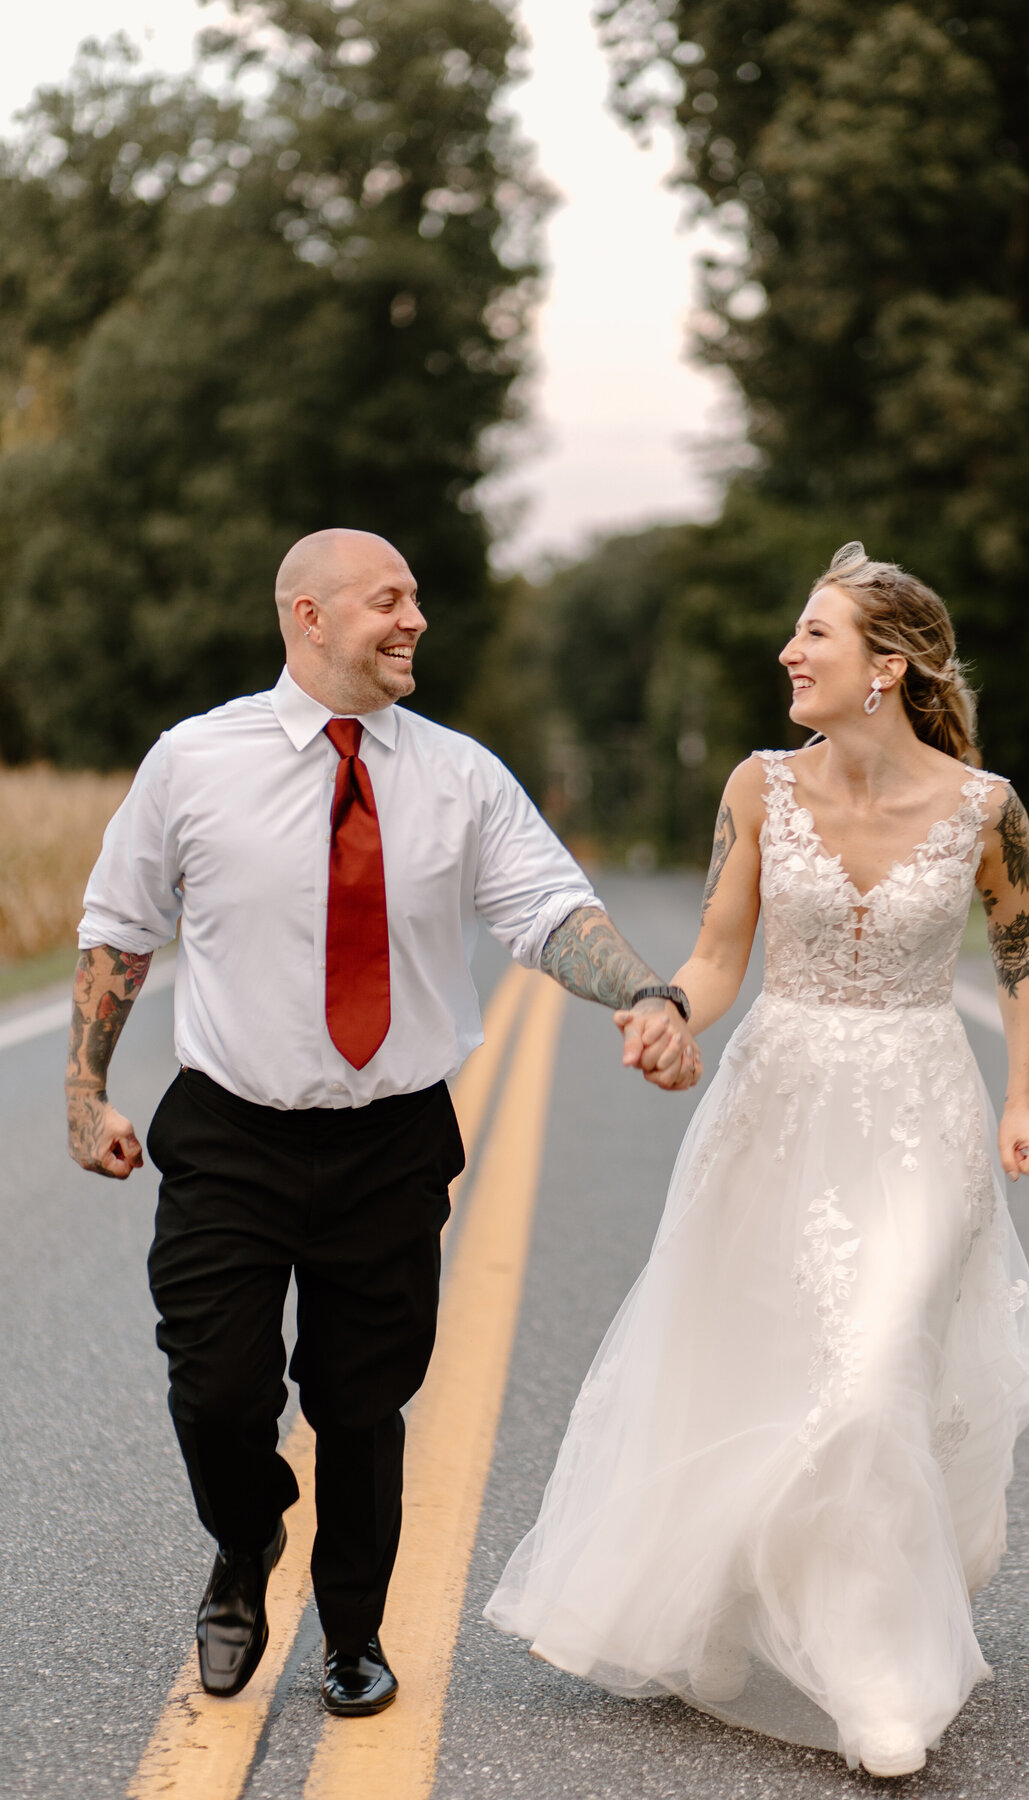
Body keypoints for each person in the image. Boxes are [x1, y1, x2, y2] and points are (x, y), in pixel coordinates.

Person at [66, 528, 700, 1719]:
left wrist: (647, 992)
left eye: (415, 600)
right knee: (217, 1388)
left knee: (362, 1405)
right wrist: (85, 1090)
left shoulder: (459, 775)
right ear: (308, 615)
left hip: (390, 1135)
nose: (413, 621)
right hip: (231, 1132)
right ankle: (246, 1541)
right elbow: (120, 926)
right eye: (387, 601)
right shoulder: (193, 762)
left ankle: (351, 1632)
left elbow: (550, 911)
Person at [485, 541, 1029, 1779]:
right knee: (769, 1368)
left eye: (814, 635)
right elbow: (716, 957)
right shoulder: (757, 788)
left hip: (919, 1113)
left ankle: (878, 1681)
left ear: (886, 668)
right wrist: (667, 1011)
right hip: (776, 1104)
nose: (787, 654)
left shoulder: (983, 807)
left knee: (870, 1375)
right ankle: (754, 1602)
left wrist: (1020, 1098)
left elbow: (1021, 949)